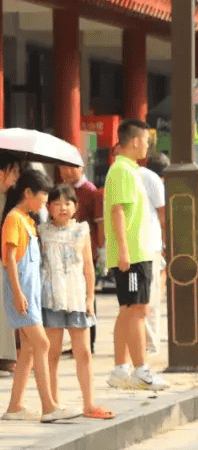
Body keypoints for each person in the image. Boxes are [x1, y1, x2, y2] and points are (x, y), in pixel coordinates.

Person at [2, 169, 79, 422]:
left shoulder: (27, 220)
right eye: (44, 199)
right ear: (28, 194)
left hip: (29, 295)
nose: (46, 205)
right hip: (22, 295)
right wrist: (17, 293)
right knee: (43, 344)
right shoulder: (14, 219)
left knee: (28, 351)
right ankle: (48, 406)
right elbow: (10, 259)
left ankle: (15, 407)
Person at [103, 119, 169, 391]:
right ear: (134, 142)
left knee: (130, 310)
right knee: (138, 310)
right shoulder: (122, 170)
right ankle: (140, 369)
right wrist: (124, 252)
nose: (147, 146)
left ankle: (121, 369)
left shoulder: (130, 170)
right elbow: (117, 211)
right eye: (145, 140)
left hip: (137, 252)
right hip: (133, 255)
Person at [39, 184, 113, 419]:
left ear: (75, 207)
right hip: (50, 298)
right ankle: (54, 404)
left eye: (68, 203)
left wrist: (90, 298)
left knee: (84, 353)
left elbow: (89, 269)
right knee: (52, 355)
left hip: (77, 299)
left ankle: (89, 404)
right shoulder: (41, 231)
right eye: (57, 203)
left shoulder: (82, 231)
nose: (63, 208)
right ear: (48, 207)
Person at [59, 162, 104, 354]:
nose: (68, 172)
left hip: (86, 252)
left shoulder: (91, 191)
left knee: (87, 297)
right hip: (63, 251)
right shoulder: (60, 191)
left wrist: (100, 249)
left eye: (72, 167)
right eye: (64, 168)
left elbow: (99, 224)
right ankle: (74, 342)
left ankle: (88, 343)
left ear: (82, 168)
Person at [139, 150, 167, 355]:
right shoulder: (155, 181)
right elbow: (163, 215)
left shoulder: (127, 174)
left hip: (133, 249)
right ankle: (150, 341)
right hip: (152, 247)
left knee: (134, 299)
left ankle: (140, 340)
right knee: (152, 297)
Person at [0, 152, 24, 376]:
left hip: (5, 260)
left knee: (4, 307)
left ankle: (6, 356)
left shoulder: (14, 198)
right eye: (13, 171)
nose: (16, 176)